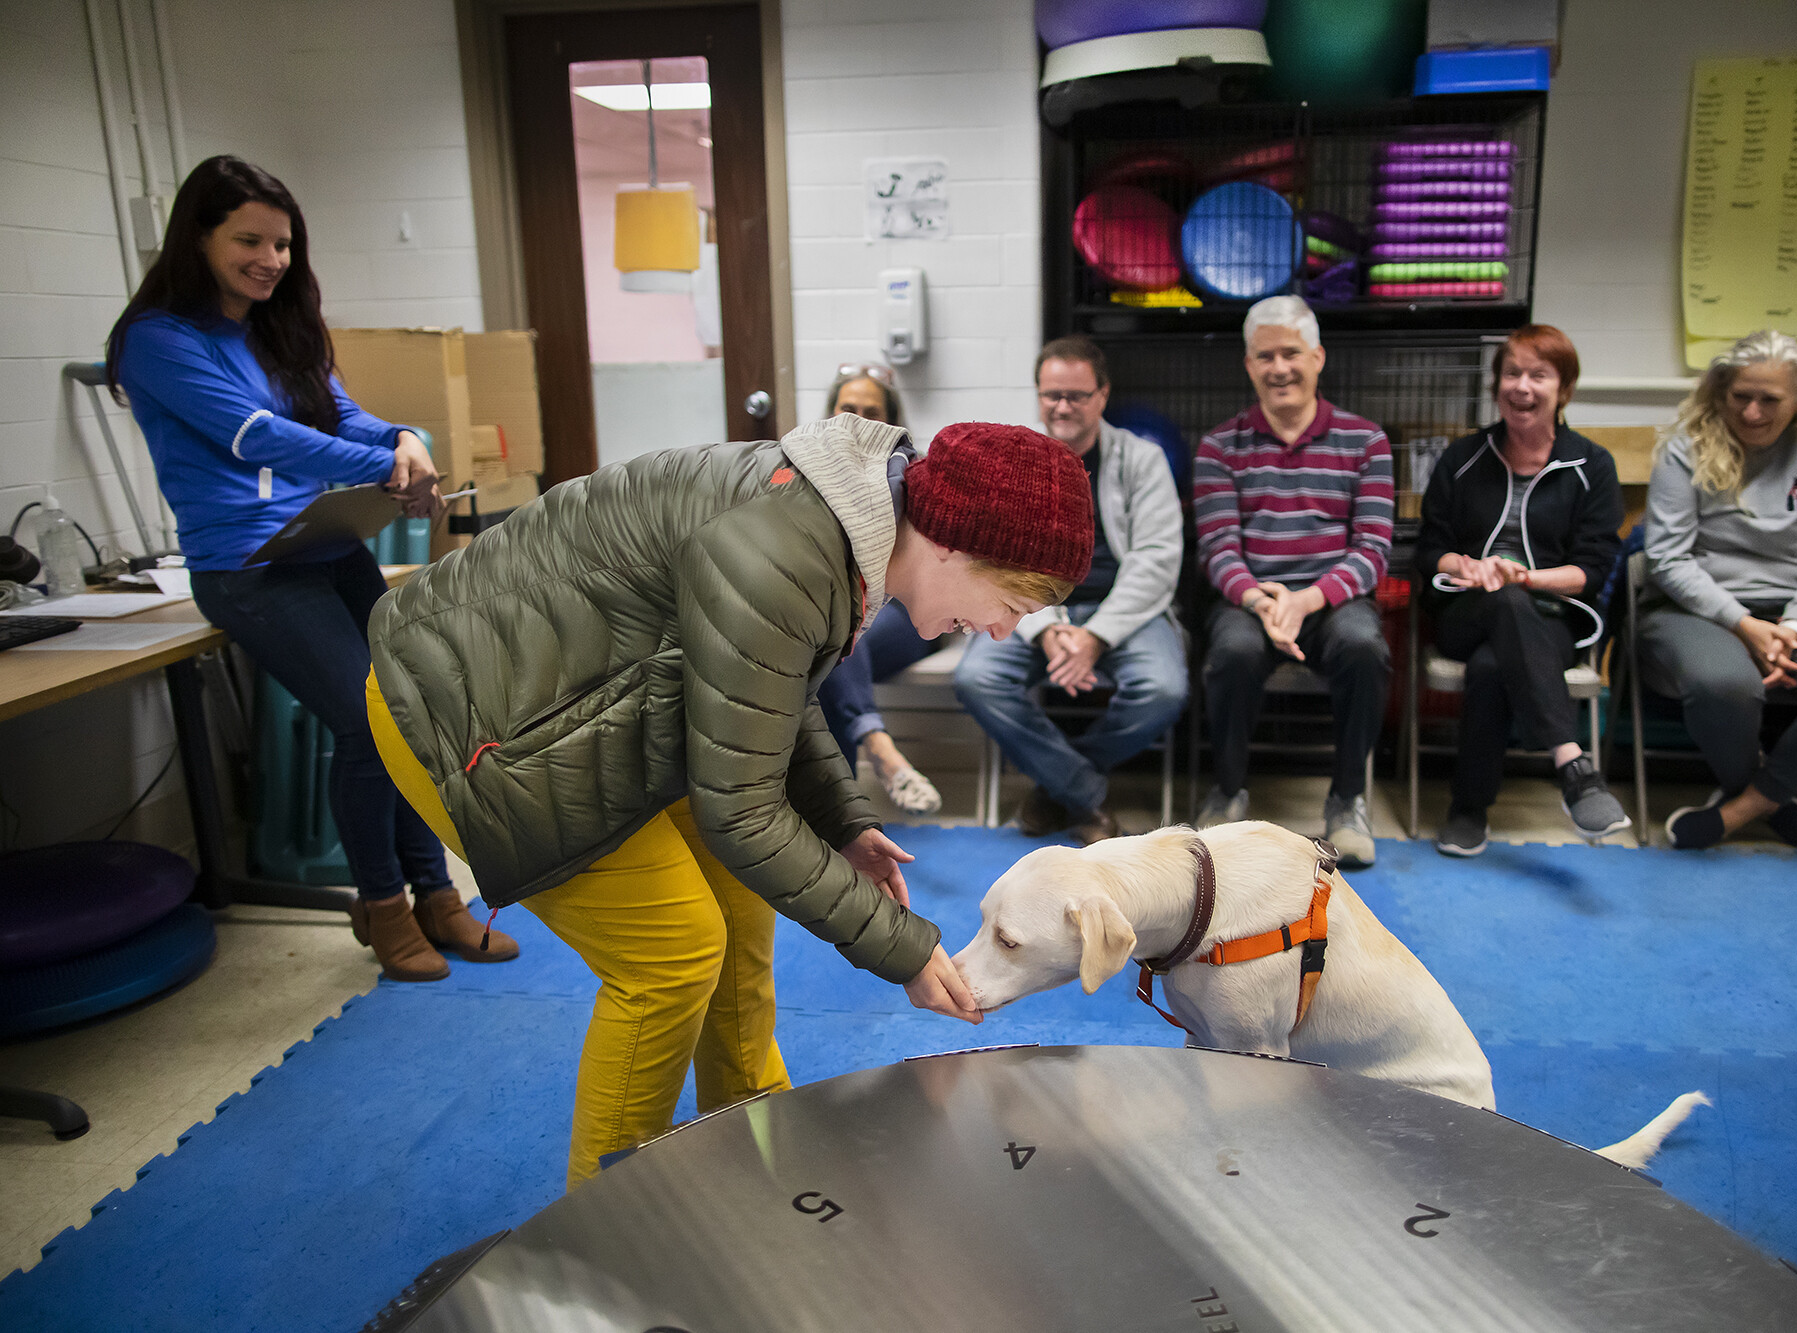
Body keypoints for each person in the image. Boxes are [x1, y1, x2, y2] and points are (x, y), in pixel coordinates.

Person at [365, 416, 1093, 1187]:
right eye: (1012, 599)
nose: (1004, 629)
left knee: (742, 920)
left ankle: (755, 1155)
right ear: (951, 540)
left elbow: (769, 679)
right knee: (672, 955)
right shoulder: (788, 548)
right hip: (469, 713)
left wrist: (843, 820)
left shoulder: (848, 520)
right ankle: (605, 1221)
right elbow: (741, 811)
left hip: (600, 703)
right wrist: (901, 945)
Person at [104, 155, 508, 984]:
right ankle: (382, 905)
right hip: (247, 567)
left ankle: (437, 896)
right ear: (198, 237)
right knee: (367, 724)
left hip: (325, 540)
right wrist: (393, 464)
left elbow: (337, 411)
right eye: (249, 240)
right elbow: (255, 435)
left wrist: (401, 437)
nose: (271, 259)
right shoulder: (157, 341)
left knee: (413, 710)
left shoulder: (276, 325)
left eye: (283, 244)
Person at [1641, 330, 1797, 851]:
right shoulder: (1686, 446)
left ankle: (1745, 807)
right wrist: (1743, 624)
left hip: (1793, 610)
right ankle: (1768, 798)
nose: (1751, 413)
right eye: (1740, 397)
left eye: (1769, 399)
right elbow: (1666, 557)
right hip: (1696, 608)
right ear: (1721, 391)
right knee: (1726, 683)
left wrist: (1794, 627)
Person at [954, 337, 1188, 844]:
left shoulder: (1142, 460)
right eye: (1051, 394)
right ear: (1038, 395)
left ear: (1103, 395)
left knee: (1163, 690)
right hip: (1032, 606)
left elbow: (1157, 559)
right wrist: (1046, 630)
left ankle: (1057, 785)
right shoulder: (1015, 461)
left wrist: (1095, 636)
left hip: (1125, 609)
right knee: (976, 678)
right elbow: (999, 561)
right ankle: (1085, 791)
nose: (1062, 407)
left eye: (1077, 395)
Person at [1192, 296, 1393, 867]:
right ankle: (1228, 790)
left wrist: (1305, 601)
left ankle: (1348, 801)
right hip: (1250, 596)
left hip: (1333, 597)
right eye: (1265, 357)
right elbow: (1217, 549)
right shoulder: (1218, 446)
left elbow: (1374, 550)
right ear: (1249, 365)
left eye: (1291, 354)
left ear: (1318, 357)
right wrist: (1261, 600)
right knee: (1229, 651)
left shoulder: (1366, 442)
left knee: (1363, 647)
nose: (1279, 368)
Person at [1414, 325, 1629, 855]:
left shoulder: (1592, 466)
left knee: (1494, 662)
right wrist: (1466, 566)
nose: (1522, 387)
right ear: (1496, 384)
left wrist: (1526, 578)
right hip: (1465, 610)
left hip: (1553, 617)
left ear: (1564, 390)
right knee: (1501, 604)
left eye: (1539, 375)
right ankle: (1572, 763)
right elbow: (1428, 551)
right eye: (1512, 373)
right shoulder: (1462, 457)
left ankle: (1468, 809)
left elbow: (1595, 568)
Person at [814, 364, 946, 814]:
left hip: (907, 616)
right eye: (848, 408)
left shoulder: (915, 475)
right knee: (834, 639)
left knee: (839, 639)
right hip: (843, 616)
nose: (859, 418)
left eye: (872, 411)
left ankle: (843, 808)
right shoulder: (808, 475)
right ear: (830, 413)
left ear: (891, 420)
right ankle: (876, 748)